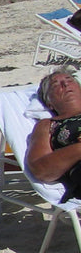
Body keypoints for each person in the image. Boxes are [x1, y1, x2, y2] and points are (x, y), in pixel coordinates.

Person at [27, 69, 81, 201]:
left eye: (69, 80)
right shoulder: (48, 125)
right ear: (49, 103)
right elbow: (40, 169)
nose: (65, 84)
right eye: (55, 85)